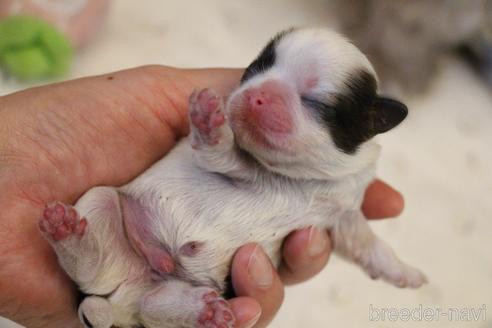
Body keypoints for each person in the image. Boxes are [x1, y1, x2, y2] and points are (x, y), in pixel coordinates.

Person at [0, 65, 404, 328]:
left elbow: (355, 232)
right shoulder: (247, 131)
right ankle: (79, 248)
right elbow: (220, 156)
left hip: (179, 280)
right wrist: (211, 133)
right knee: (99, 205)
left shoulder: (338, 181)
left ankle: (193, 308)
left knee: (158, 305)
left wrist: (384, 260)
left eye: (311, 102)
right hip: (123, 228)